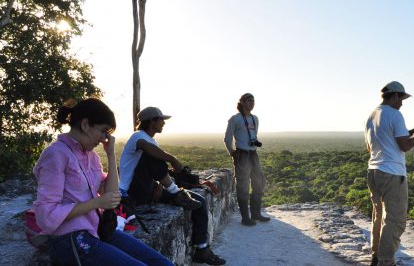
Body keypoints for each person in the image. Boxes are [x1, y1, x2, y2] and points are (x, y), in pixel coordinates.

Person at [33, 98, 173, 265]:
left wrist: (111, 154)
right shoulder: (56, 155)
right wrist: (96, 202)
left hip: (96, 229)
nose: (104, 138)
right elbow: (46, 215)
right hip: (68, 238)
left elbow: (112, 195)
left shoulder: (91, 156)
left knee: (163, 263)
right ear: (85, 125)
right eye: (103, 131)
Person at [119, 106, 226, 265]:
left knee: (199, 202)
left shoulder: (151, 140)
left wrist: (159, 184)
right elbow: (149, 151)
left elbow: (152, 167)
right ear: (152, 121)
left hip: (147, 188)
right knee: (155, 157)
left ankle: (202, 249)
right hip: (131, 192)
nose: (164, 123)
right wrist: (172, 159)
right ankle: (176, 192)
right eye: (161, 120)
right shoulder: (138, 137)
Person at [365, 81, 414, 266]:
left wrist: (406, 133)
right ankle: (386, 261)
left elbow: (371, 147)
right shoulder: (395, 114)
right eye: (401, 98)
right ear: (395, 95)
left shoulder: (372, 115)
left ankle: (376, 256)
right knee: (395, 219)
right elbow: (404, 146)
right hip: (392, 173)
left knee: (379, 215)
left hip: (374, 171)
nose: (402, 103)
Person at [224, 93, 270, 226]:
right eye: (249, 101)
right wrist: (232, 152)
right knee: (243, 185)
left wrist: (255, 142)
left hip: (253, 154)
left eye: (253, 101)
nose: (252, 103)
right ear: (242, 102)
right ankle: (245, 217)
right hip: (242, 154)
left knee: (259, 182)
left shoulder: (255, 119)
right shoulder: (235, 119)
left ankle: (256, 213)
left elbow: (253, 135)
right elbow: (227, 138)